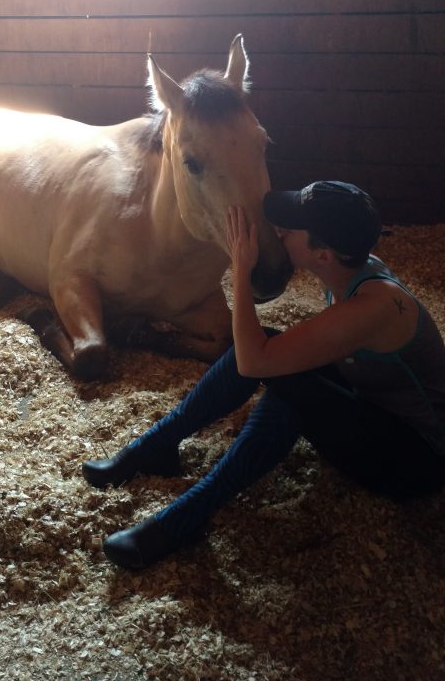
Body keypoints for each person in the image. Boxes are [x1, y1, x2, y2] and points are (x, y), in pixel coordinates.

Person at [82, 181, 445, 570]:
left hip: (416, 460)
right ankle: (157, 447)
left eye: (292, 227)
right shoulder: (354, 272)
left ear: (323, 254)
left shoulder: (371, 308)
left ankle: (184, 516)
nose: (279, 230)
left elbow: (253, 363)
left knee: (287, 381)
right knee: (285, 367)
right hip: (374, 403)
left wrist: (240, 271)